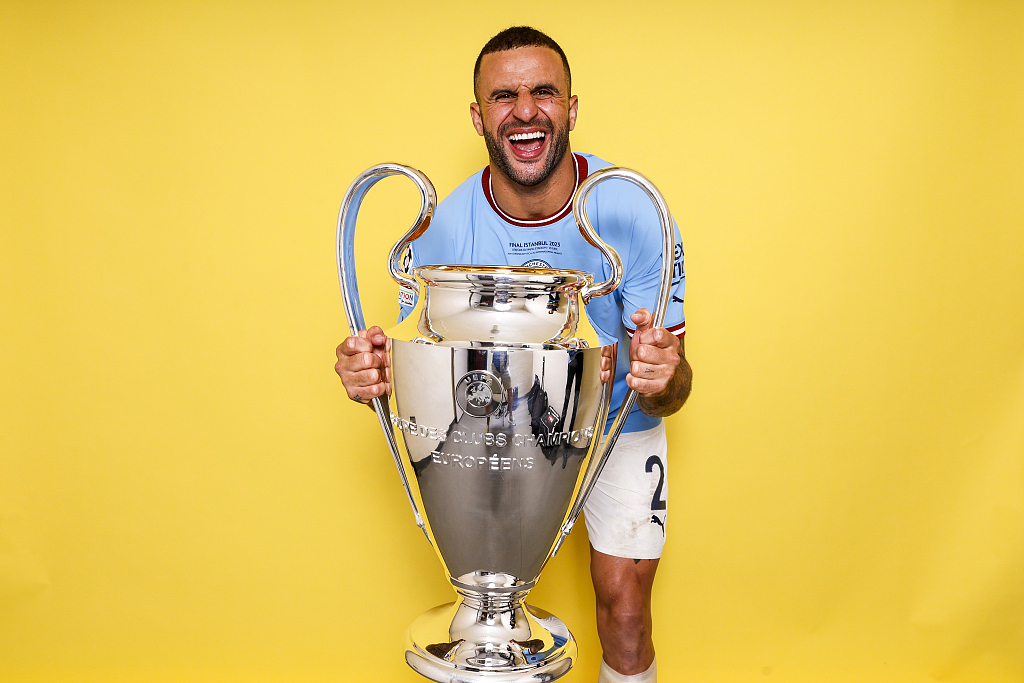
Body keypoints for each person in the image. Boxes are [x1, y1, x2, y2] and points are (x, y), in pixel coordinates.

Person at [335, 26, 692, 683]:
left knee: (624, 606)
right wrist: (372, 370)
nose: (525, 110)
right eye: (504, 95)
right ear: (479, 116)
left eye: (543, 92)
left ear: (572, 108)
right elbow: (420, 361)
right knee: (491, 619)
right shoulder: (444, 223)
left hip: (617, 428)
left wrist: (662, 372)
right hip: (501, 439)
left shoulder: (634, 210)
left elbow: (671, 385)